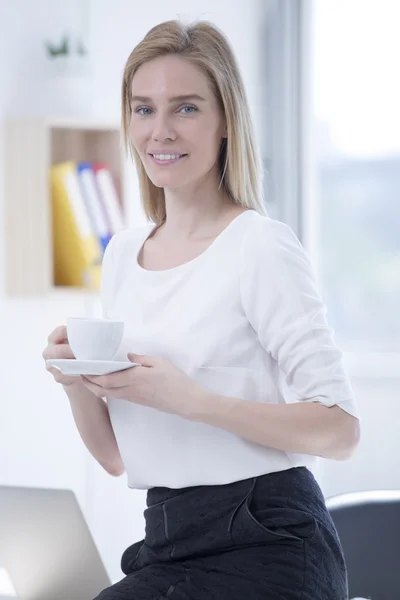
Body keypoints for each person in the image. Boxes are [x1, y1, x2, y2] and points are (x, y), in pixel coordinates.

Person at [43, 19, 360, 600]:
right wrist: (74, 382)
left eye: (185, 108)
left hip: (268, 539)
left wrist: (191, 399)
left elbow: (339, 430)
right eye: (144, 109)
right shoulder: (122, 257)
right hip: (166, 538)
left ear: (224, 124)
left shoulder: (257, 245)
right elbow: (117, 456)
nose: (159, 131)